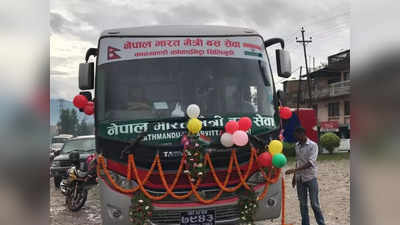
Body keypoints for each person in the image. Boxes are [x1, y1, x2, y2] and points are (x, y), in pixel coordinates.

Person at [285, 127, 326, 225]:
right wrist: (294, 177)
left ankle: (321, 223)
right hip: (300, 179)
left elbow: (310, 163)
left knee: (314, 204)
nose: (296, 138)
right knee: (303, 204)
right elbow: (298, 161)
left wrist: (294, 170)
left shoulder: (313, 145)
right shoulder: (297, 146)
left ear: (303, 134)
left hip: (311, 178)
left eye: (297, 136)